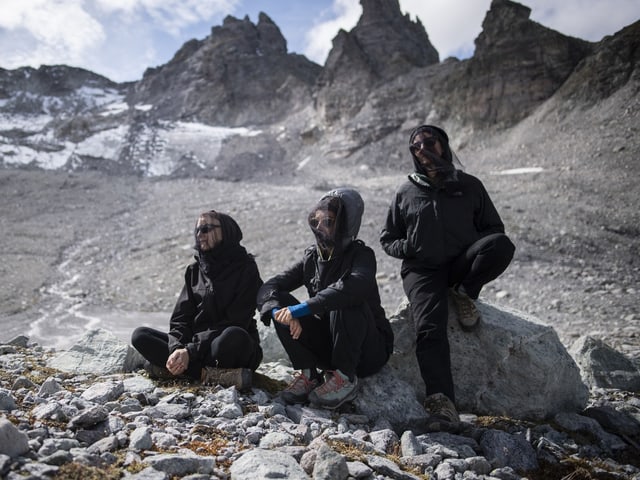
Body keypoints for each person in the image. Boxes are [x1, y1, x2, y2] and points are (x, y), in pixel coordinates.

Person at [380, 124, 515, 425]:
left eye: (430, 142)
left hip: (459, 265)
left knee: (500, 246)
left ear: (443, 144)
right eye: (416, 146)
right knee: (429, 328)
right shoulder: (406, 190)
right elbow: (388, 238)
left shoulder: (469, 185)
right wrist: (409, 246)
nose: (423, 149)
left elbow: (494, 229)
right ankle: (442, 403)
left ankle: (464, 292)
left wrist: (470, 254)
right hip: (422, 270)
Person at [257, 188, 394, 409]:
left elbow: (353, 287)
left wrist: (301, 310)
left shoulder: (362, 256)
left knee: (344, 298)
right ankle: (310, 375)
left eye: (328, 222)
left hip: (369, 351)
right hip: (332, 345)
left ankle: (345, 378)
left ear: (345, 224)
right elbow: (270, 286)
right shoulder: (312, 257)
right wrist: (280, 313)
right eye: (316, 221)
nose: (319, 227)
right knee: (280, 300)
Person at [131, 210, 263, 391]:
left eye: (206, 229)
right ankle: (205, 374)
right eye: (197, 230)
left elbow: (236, 320)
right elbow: (180, 318)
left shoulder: (246, 269)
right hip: (195, 350)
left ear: (226, 231)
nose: (199, 234)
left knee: (232, 336)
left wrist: (190, 351)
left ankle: (170, 369)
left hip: (227, 347)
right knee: (141, 335)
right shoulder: (194, 271)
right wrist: (178, 348)